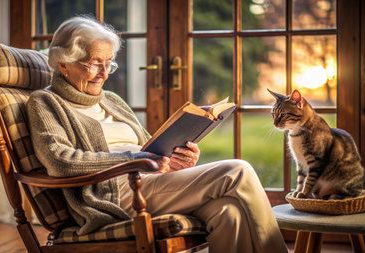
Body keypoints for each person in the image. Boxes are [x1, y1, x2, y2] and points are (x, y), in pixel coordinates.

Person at [26, 15, 287, 253]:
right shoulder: (45, 102)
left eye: (109, 64)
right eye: (95, 64)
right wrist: (132, 158)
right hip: (111, 192)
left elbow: (149, 146)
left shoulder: (112, 100)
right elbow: (60, 160)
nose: (104, 74)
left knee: (228, 212)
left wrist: (175, 160)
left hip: (148, 179)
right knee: (237, 170)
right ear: (64, 64)